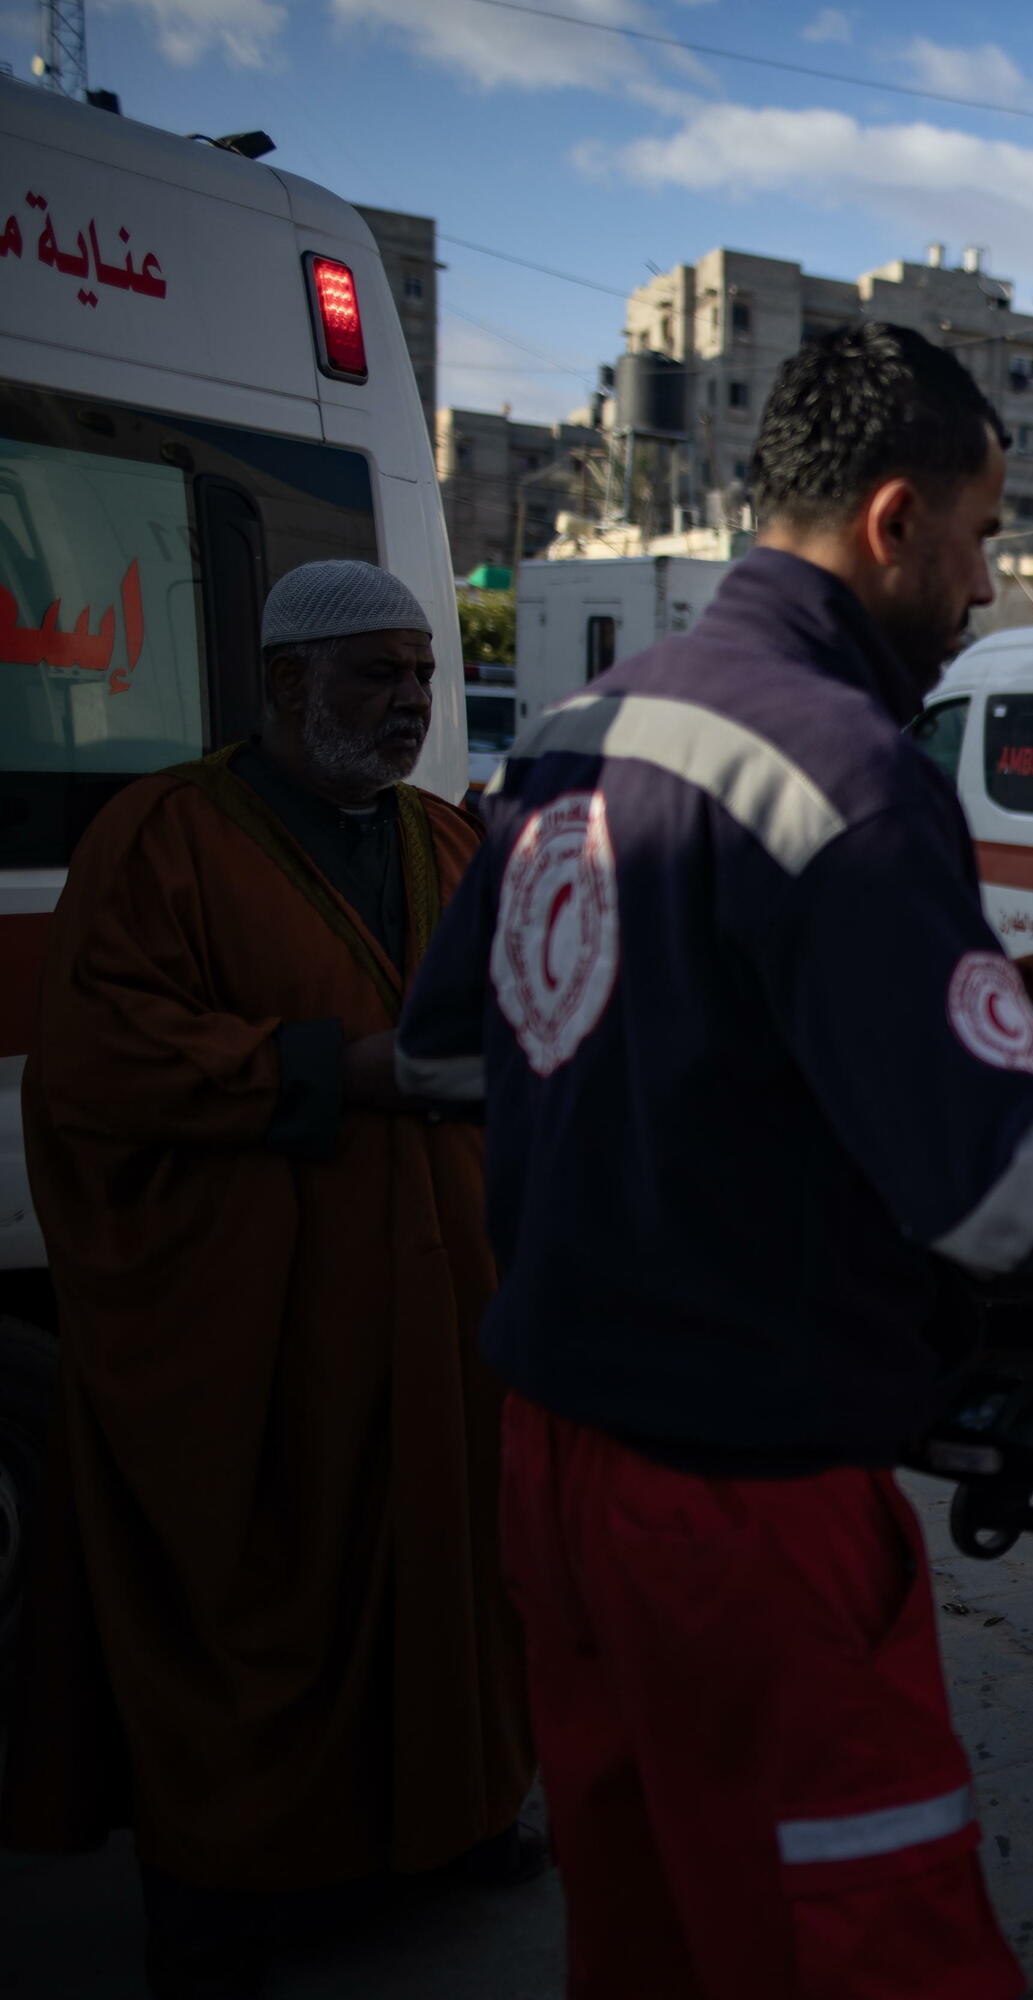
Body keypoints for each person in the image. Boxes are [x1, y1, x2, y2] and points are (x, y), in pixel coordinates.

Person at [393, 322, 1033, 1999]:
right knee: (861, 1947)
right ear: (895, 520)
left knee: (648, 1937)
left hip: (552, 1465)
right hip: (742, 1506)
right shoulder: (847, 774)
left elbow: (451, 1050)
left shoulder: (574, 731)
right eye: (986, 537)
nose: (990, 584)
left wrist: (813, 1081)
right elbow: (1001, 1194)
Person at [4, 562, 538, 1997]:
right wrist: (332, 1070)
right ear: (285, 686)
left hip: (445, 1297)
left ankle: (459, 1815)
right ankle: (243, 1883)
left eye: (422, 674)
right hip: (266, 1316)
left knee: (456, 1552)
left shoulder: (447, 836)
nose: (411, 700)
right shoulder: (163, 838)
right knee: (261, 1580)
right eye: (375, 674)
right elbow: (104, 1060)